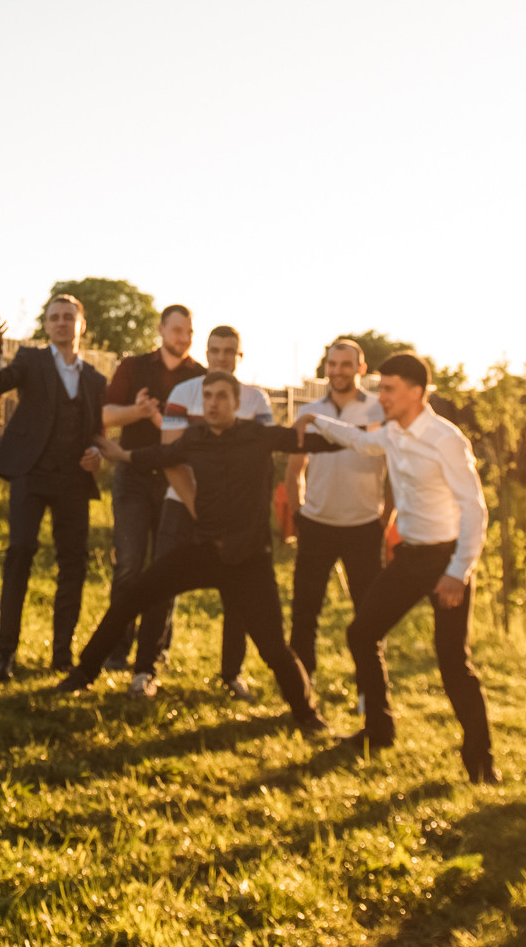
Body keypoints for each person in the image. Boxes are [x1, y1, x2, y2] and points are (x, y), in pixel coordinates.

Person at [61, 374, 332, 734]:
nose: (214, 403)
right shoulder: (194, 438)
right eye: (208, 397)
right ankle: (83, 673)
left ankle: (307, 714)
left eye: (222, 397)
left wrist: (365, 437)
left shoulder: (259, 437)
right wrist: (122, 454)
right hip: (202, 550)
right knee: (132, 598)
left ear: (237, 403)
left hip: (248, 560)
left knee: (273, 647)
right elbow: (161, 455)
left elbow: (314, 442)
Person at [299, 352, 497, 778]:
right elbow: (360, 441)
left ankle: (481, 760)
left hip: (448, 559)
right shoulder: (391, 432)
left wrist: (457, 572)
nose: (381, 396)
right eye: (382, 387)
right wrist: (315, 422)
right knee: (361, 633)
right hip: (411, 557)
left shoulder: (446, 440)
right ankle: (379, 728)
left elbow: (475, 510)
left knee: (451, 660)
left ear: (416, 392)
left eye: (389, 389)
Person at [134, 323, 271, 698]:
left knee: (238, 594)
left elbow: (258, 461)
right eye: (215, 351)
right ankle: (144, 669)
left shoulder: (256, 400)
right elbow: (170, 458)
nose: (222, 358)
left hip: (236, 515)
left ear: (239, 357)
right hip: (183, 506)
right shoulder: (183, 393)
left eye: (229, 352)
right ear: (206, 354)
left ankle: (232, 674)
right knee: (160, 585)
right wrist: (198, 506)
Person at [0, 295, 108, 679]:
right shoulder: (30, 361)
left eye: (69, 317)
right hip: (31, 473)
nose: (61, 323)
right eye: (54, 317)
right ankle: (5, 654)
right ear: (46, 325)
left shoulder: (95, 380)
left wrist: (95, 454)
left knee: (74, 563)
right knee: (19, 552)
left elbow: (97, 432)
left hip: (73, 480)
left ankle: (62, 654)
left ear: (81, 324)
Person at [99, 305, 203, 684]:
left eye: (189, 332)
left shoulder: (200, 377)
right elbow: (107, 416)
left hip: (177, 480)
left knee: (167, 567)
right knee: (128, 563)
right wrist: (139, 412)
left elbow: (196, 436)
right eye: (177, 330)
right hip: (133, 476)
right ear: (160, 329)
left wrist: (161, 421)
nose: (183, 338)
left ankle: (155, 650)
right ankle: (116, 646)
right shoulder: (134, 367)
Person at [282, 337, 389, 688]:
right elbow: (295, 468)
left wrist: (384, 518)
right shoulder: (309, 411)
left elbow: (395, 470)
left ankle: (368, 692)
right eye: (332, 364)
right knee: (305, 613)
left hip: (364, 526)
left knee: (370, 615)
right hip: (317, 524)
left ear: (361, 369)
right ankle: (303, 688)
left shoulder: (378, 410)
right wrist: (299, 513)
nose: (337, 371)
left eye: (346, 364)